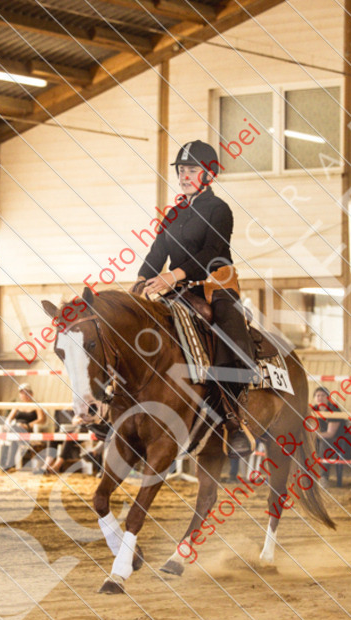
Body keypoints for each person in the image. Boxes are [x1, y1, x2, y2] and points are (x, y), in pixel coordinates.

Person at [134, 140, 254, 458]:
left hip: (215, 285)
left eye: (192, 170)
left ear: (208, 174)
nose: (185, 175)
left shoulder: (219, 210)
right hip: (178, 290)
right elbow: (157, 252)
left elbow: (211, 252)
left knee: (229, 334)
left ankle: (233, 420)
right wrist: (141, 282)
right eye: (182, 170)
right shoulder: (174, 212)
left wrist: (172, 276)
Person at [312, 388, 351, 486]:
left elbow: (330, 434)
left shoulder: (334, 410)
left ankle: (324, 477)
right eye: (318, 395)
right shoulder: (313, 410)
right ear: (314, 398)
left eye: (323, 395)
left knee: (324, 442)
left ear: (328, 398)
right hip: (320, 437)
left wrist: (313, 435)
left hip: (340, 441)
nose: (320, 398)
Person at [1, 384, 46, 471]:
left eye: (26, 393)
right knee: (15, 429)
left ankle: (9, 463)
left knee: (15, 434)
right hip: (16, 428)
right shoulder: (17, 406)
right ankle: (21, 445)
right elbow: (9, 419)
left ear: (31, 394)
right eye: (22, 393)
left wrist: (27, 425)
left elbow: (41, 419)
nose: (24, 395)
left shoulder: (36, 405)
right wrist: (7, 426)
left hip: (28, 429)